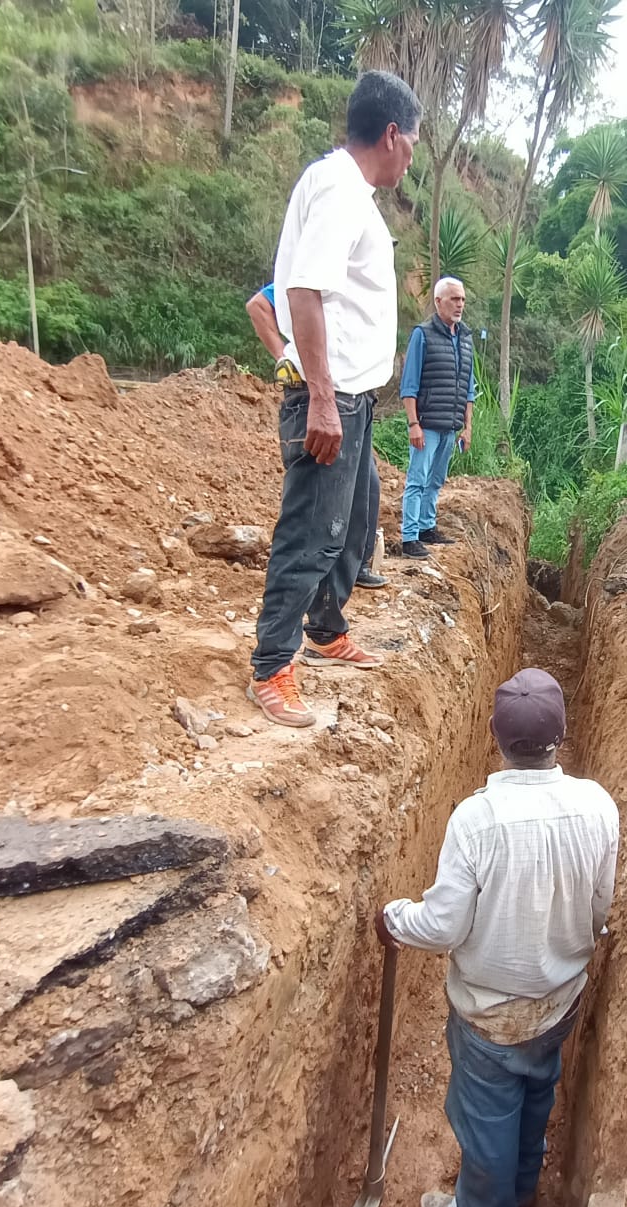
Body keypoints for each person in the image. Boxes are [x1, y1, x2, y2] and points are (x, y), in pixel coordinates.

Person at [375, 668, 620, 1207]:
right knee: (536, 1102)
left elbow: (443, 927)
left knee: (487, 1130)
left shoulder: (476, 820)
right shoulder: (600, 805)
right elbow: (599, 906)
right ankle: (522, 1196)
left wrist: (394, 920)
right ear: (562, 733)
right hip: (561, 1002)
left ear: (494, 733)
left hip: (489, 1016)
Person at [247, 70, 421, 728]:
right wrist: (321, 397)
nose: (411, 159)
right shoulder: (340, 190)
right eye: (412, 146)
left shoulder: (350, 194)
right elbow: (302, 292)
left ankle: (325, 627)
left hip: (353, 399)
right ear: (392, 134)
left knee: (356, 519)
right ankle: (272, 666)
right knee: (312, 532)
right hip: (332, 397)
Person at [245, 282, 387, 591]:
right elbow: (258, 305)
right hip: (322, 402)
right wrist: (284, 355)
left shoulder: (358, 292)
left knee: (367, 492)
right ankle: (301, 605)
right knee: (320, 507)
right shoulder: (318, 276)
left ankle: (353, 571)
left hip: (353, 401)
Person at [399, 276, 475, 558]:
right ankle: (409, 537)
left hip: (450, 425)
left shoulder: (465, 339)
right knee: (417, 478)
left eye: (463, 299)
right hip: (427, 424)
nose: (460, 304)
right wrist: (413, 423)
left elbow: (469, 388)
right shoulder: (423, 334)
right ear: (438, 301)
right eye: (454, 299)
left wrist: (467, 428)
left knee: (436, 479)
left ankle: (426, 527)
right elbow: (409, 384)